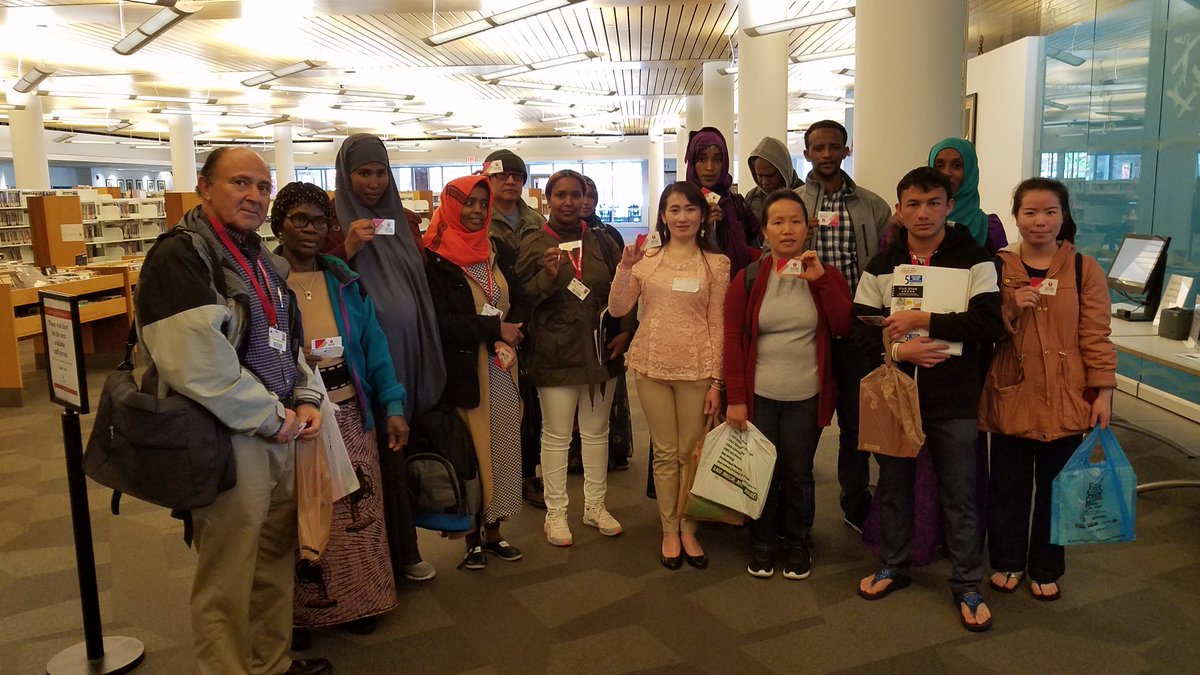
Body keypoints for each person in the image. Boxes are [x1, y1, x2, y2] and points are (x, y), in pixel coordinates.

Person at [135, 148, 331, 675]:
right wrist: (273, 417)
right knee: (227, 574)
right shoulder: (181, 256)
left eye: (263, 187)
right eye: (239, 183)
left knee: (272, 560)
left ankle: (271, 663)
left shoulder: (259, 256)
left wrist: (306, 396)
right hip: (227, 435)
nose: (254, 196)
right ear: (204, 187)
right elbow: (197, 364)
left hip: (279, 428)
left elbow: (285, 339)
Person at [852, 167, 1003, 632]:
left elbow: (988, 324)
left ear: (948, 206)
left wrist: (924, 319)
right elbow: (859, 330)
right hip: (896, 394)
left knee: (960, 495)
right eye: (913, 204)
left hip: (954, 397)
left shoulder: (974, 260)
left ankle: (967, 584)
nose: (923, 213)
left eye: (933, 203)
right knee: (894, 488)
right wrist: (899, 351)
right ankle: (893, 565)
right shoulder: (881, 265)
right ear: (899, 209)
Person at [272, 182, 409, 641]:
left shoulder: (343, 279)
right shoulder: (265, 281)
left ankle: (362, 603)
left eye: (320, 221)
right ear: (279, 224)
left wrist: (392, 404)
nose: (311, 229)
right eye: (299, 219)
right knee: (299, 511)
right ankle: (300, 614)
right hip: (293, 417)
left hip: (350, 410)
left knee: (357, 511)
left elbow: (374, 346)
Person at [980, 178, 1116, 602]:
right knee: (1008, 486)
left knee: (1059, 489)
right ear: (1016, 216)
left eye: (1050, 212)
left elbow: (1096, 335)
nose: (1040, 221)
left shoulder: (1083, 268)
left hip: (1066, 394)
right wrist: (1008, 309)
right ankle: (1007, 561)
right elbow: (980, 329)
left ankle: (1046, 567)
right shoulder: (997, 267)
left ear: (1063, 216)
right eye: (1030, 212)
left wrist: (1104, 394)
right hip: (1013, 392)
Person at [333, 133, 445, 582]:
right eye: (363, 173)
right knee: (370, 463)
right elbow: (312, 279)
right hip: (361, 367)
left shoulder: (401, 221)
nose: (373, 182)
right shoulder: (329, 224)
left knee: (399, 454)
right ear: (346, 175)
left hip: (406, 357)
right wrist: (346, 248)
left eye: (381, 173)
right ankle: (374, 563)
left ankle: (403, 550)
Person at [725, 190, 852, 580]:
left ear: (807, 229)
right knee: (762, 470)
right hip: (759, 395)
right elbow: (731, 339)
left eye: (795, 221)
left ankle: (797, 541)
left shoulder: (825, 275)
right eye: (777, 222)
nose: (787, 229)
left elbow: (844, 325)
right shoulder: (748, 278)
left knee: (798, 472)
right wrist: (735, 398)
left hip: (806, 396)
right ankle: (762, 540)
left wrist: (822, 282)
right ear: (764, 231)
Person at [609, 181, 729, 570]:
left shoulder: (716, 264)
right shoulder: (647, 259)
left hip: (696, 368)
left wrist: (717, 381)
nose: (682, 217)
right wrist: (625, 267)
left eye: (690, 209)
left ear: (702, 215)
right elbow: (618, 308)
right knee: (663, 452)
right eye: (674, 209)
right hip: (651, 365)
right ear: (663, 215)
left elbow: (718, 325)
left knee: (689, 453)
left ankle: (689, 527)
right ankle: (669, 528)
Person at [516, 169, 635, 546]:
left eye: (576, 194)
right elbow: (523, 300)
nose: (569, 202)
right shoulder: (534, 243)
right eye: (560, 195)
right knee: (556, 434)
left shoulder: (601, 240)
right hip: (555, 351)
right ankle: (556, 513)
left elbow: (625, 286)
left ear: (586, 198)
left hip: (601, 349)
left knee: (597, 431)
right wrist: (550, 275)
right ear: (548, 199)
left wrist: (626, 330)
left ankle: (595, 506)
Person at [423, 175, 530, 570]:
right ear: (452, 204)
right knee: (471, 453)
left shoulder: (495, 248)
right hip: (466, 371)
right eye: (468, 202)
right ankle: (471, 539)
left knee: (502, 448)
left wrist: (514, 329)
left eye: (483, 204)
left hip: (502, 367)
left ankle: (494, 531)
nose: (476, 210)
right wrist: (494, 328)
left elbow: (519, 298)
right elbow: (440, 322)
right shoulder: (434, 257)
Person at [798, 119, 893, 533]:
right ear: (806, 153)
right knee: (803, 421)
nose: (826, 154)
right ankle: (792, 507)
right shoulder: (794, 203)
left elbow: (887, 263)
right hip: (807, 328)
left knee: (856, 422)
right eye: (818, 148)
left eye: (834, 147)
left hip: (857, 328)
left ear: (846, 150)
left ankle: (855, 503)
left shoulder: (873, 205)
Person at [483, 149, 548, 508]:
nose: (510, 181)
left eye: (517, 176)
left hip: (534, 316)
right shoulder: (478, 216)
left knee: (532, 402)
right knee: (498, 402)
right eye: (502, 175)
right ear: (488, 178)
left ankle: (528, 473)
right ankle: (496, 475)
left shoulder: (536, 220)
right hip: (491, 322)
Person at [582, 173, 635, 472]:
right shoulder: (551, 236)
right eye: (579, 194)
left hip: (608, 325)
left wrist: (626, 328)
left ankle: (613, 451)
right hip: (572, 330)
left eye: (590, 195)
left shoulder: (609, 234)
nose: (584, 201)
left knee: (609, 390)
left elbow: (627, 283)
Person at [684, 126, 761, 273]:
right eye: (701, 159)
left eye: (718, 160)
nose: (709, 167)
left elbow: (757, 245)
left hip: (736, 283)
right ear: (692, 163)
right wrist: (701, 226)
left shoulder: (737, 203)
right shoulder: (679, 204)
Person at [928, 137, 1009, 256]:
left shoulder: (988, 227)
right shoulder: (914, 221)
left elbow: (1003, 266)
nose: (946, 173)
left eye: (956, 165)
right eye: (939, 166)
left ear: (970, 171)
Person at [745, 136, 804, 224]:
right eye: (760, 175)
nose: (764, 182)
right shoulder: (752, 197)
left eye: (770, 175)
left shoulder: (805, 195)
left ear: (783, 172)